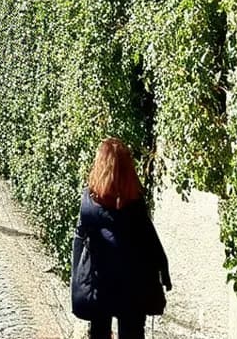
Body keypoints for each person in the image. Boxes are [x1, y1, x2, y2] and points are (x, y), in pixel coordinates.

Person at [72, 138, 171, 339]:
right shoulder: (136, 203)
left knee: (99, 331)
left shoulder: (88, 202)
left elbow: (80, 240)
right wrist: (163, 272)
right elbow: (150, 241)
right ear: (128, 170)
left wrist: (77, 278)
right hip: (133, 286)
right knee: (133, 333)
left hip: (100, 283)